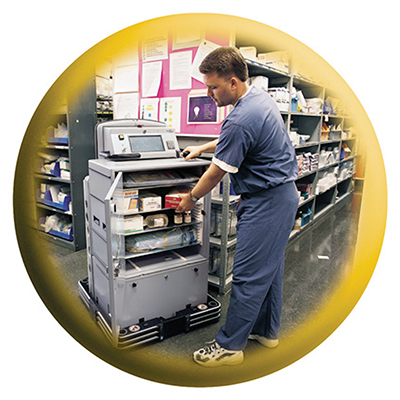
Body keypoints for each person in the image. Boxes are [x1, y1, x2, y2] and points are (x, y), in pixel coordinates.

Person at [176, 47, 299, 367]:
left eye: (213, 87)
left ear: (232, 82)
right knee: (269, 271)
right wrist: (203, 146)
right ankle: (266, 331)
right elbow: (238, 137)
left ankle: (230, 346)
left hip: (266, 203)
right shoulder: (257, 99)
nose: (209, 93)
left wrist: (189, 199)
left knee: (246, 276)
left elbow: (215, 173)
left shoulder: (241, 118)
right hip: (282, 195)